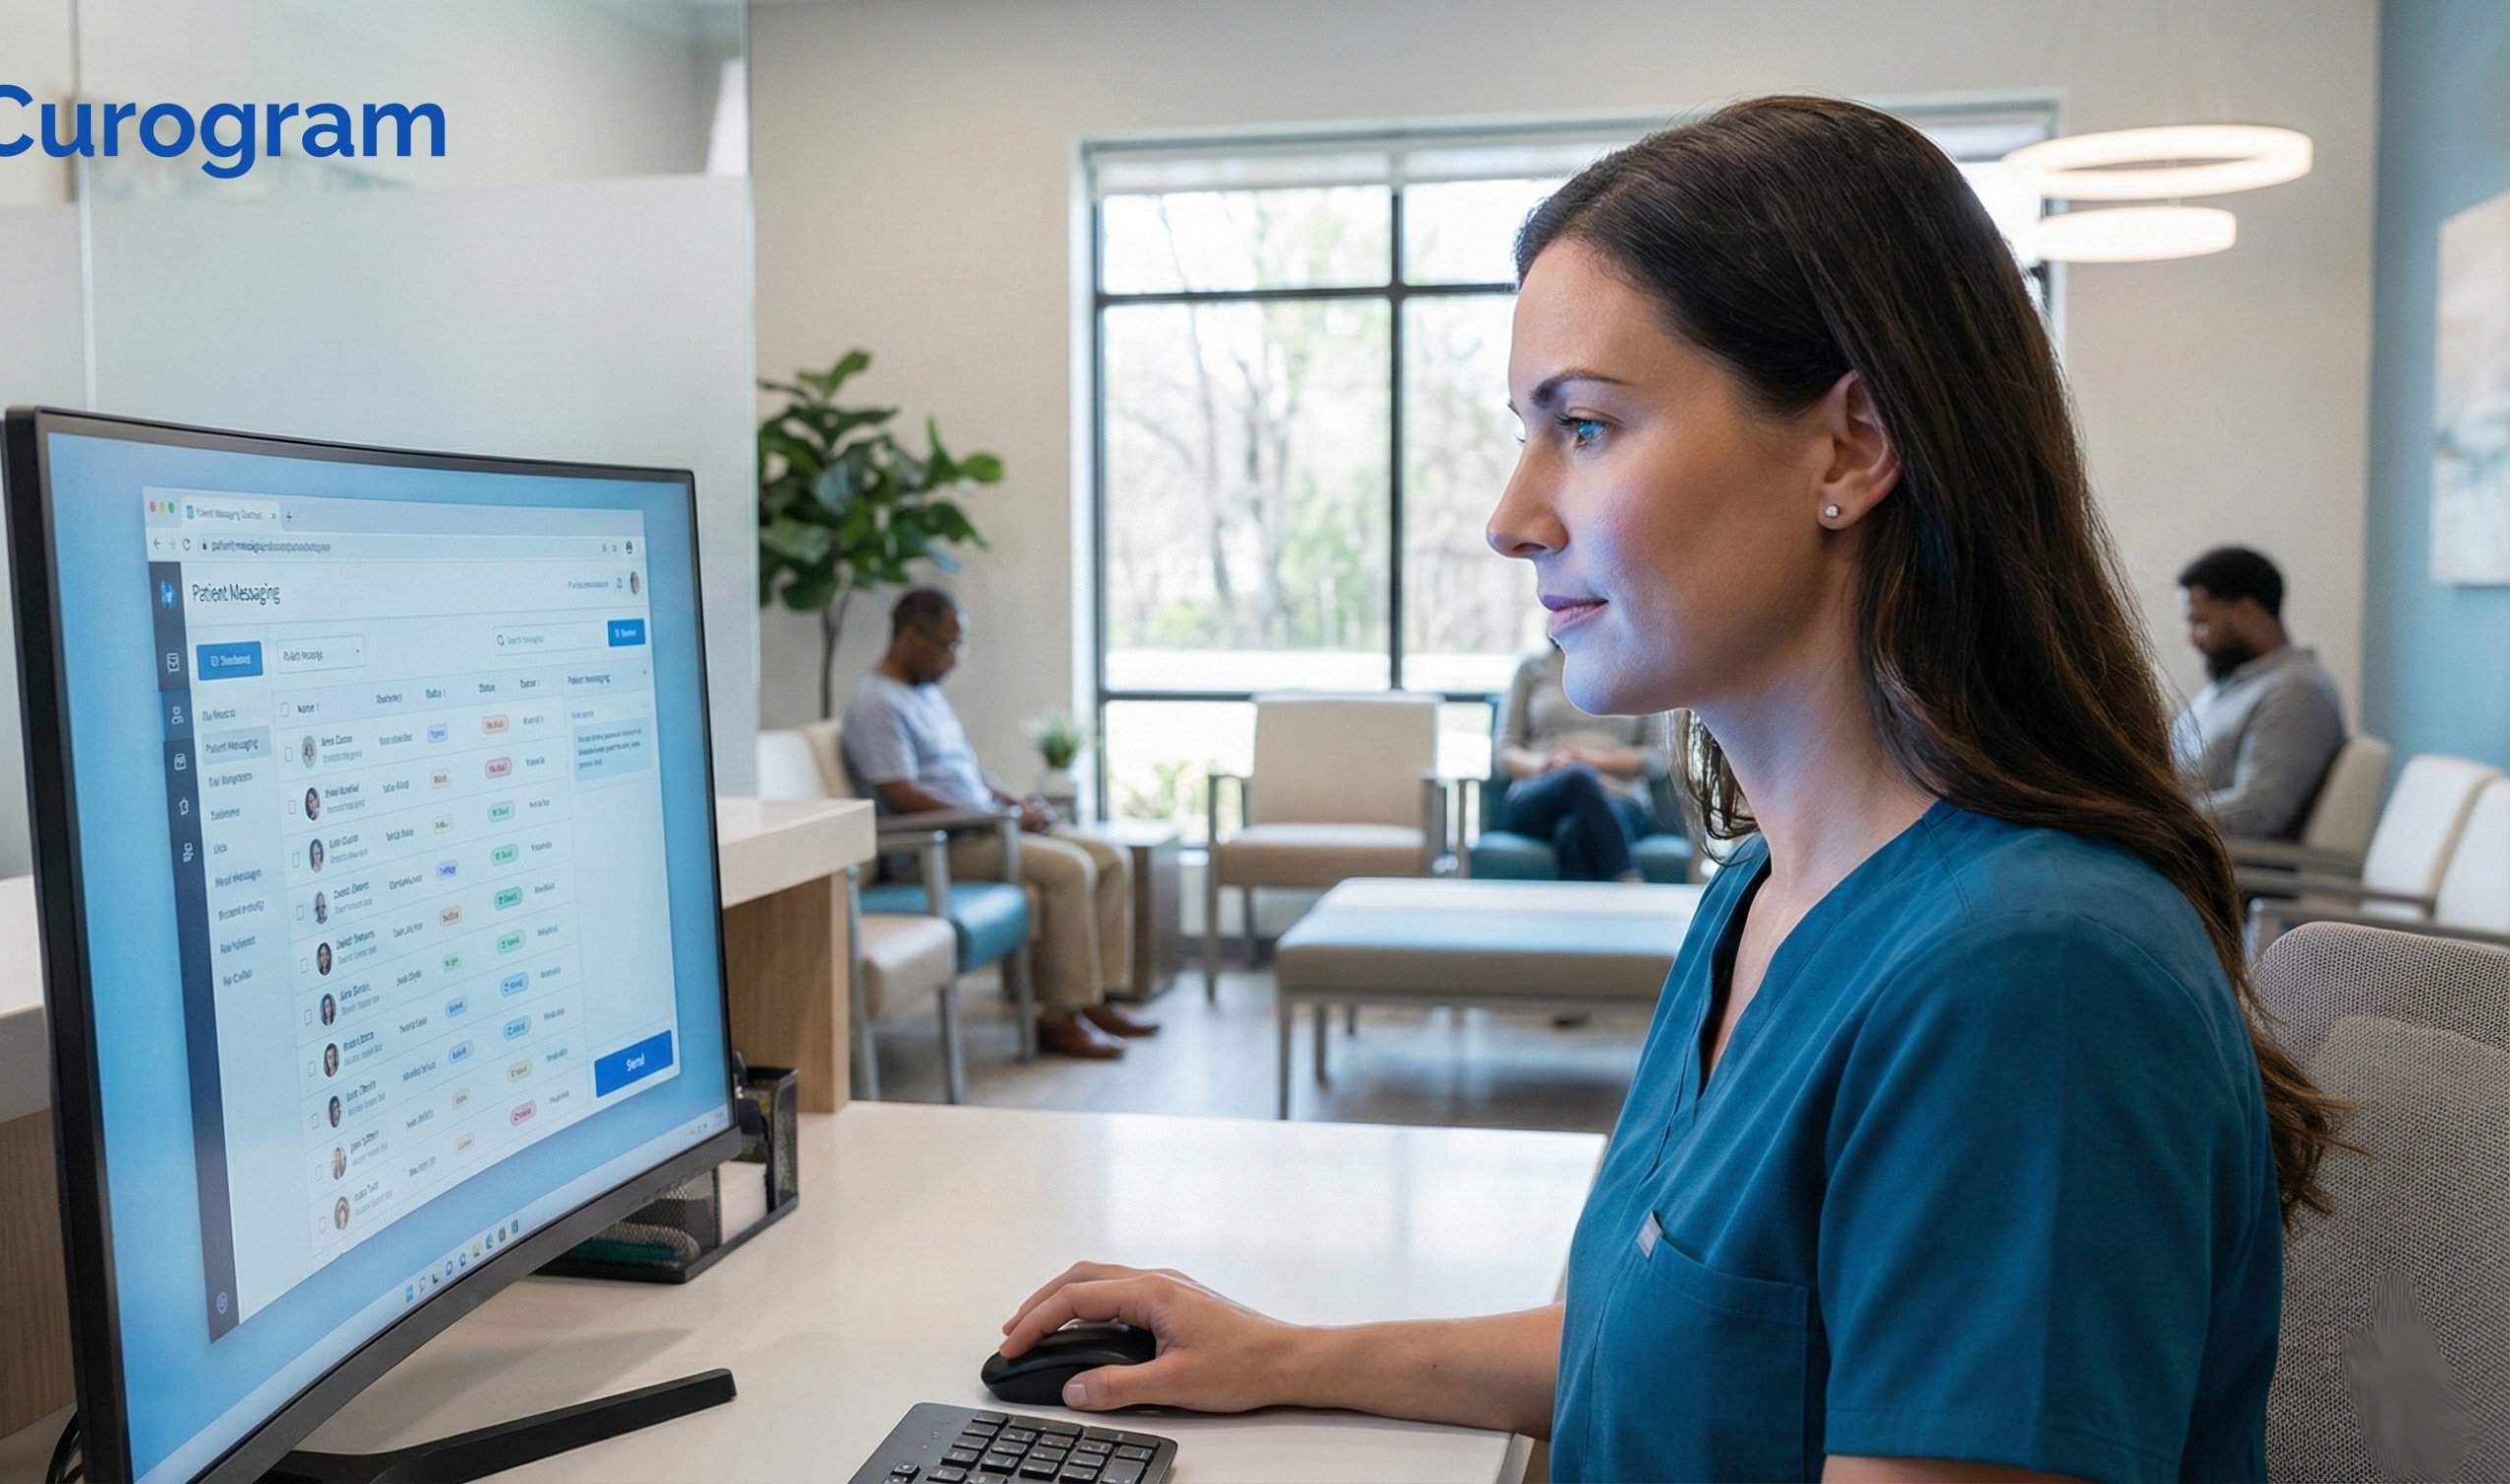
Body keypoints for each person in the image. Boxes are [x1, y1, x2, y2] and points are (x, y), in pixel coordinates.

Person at [996, 97, 2335, 1483]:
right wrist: (1281, 1355)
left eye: (1582, 426)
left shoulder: (2032, 982)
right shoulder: (1762, 894)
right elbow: (1661, 1347)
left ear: (1849, 448)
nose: (1513, 515)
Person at [842, 587, 1153, 1060]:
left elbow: (967, 772)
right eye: (948, 645)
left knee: (1110, 857)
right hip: (934, 847)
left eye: (958, 645)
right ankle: (1060, 1016)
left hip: (983, 828)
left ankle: (1099, 996)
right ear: (910, 635)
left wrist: (1014, 800)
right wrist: (997, 816)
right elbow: (901, 796)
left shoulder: (925, 694)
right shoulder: (877, 702)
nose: (955, 658)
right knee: (1070, 869)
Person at [2171, 546, 2348, 843]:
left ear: (2246, 610)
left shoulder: (2296, 691)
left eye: (2200, 622)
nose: (2192, 638)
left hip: (2218, 867)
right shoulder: (2234, 684)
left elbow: (2260, 808)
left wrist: (2155, 816)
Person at [1495, 645, 1672, 879]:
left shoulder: (1642, 670)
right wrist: (1546, 764)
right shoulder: (1531, 669)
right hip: (1542, 792)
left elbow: (1658, 758)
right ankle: (1627, 877)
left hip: (1619, 797)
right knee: (1577, 777)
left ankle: (1572, 915)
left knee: (1573, 832)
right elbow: (1504, 753)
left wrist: (1595, 762)